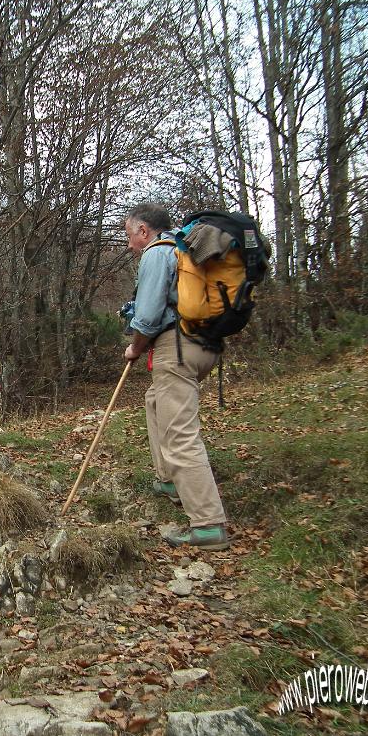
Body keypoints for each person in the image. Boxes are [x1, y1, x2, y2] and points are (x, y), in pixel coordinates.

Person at [122, 203, 230, 550]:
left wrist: (135, 347)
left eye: (129, 235)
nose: (128, 244)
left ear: (143, 231)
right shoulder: (187, 251)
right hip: (204, 345)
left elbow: (150, 315)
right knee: (155, 401)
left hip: (177, 347)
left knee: (181, 434)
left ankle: (208, 524)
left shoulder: (157, 253)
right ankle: (169, 479)